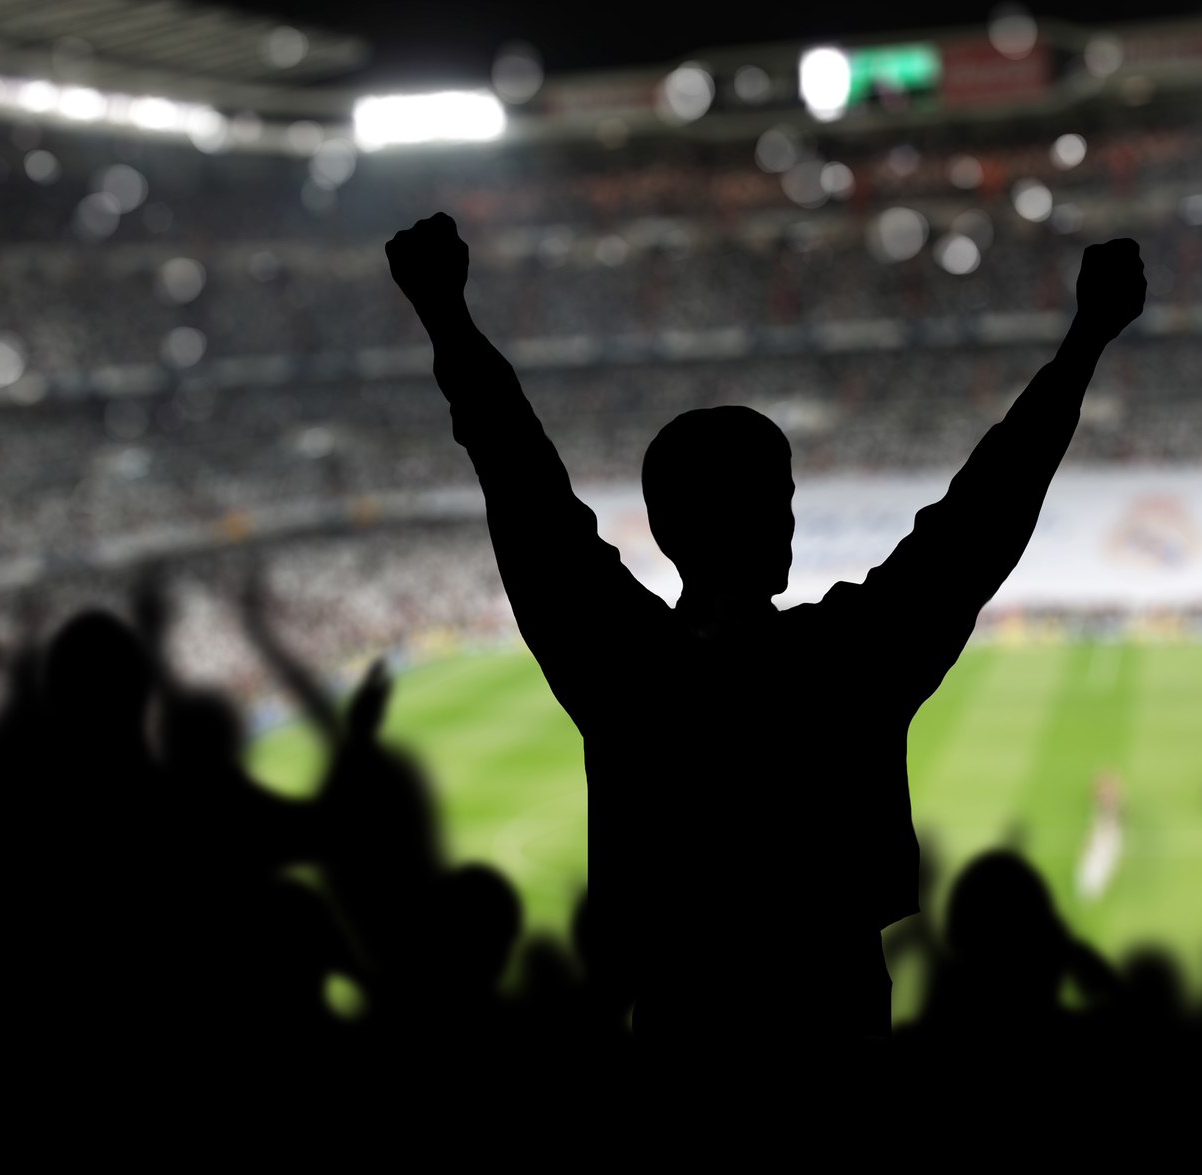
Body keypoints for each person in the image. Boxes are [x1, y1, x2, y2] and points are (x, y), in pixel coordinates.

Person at [385, 213, 1146, 1046]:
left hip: (683, 1020)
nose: (785, 521)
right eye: (774, 500)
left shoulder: (623, 668)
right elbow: (982, 517)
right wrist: (1085, 342)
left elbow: (522, 484)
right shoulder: (850, 659)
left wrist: (446, 316)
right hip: (835, 1013)